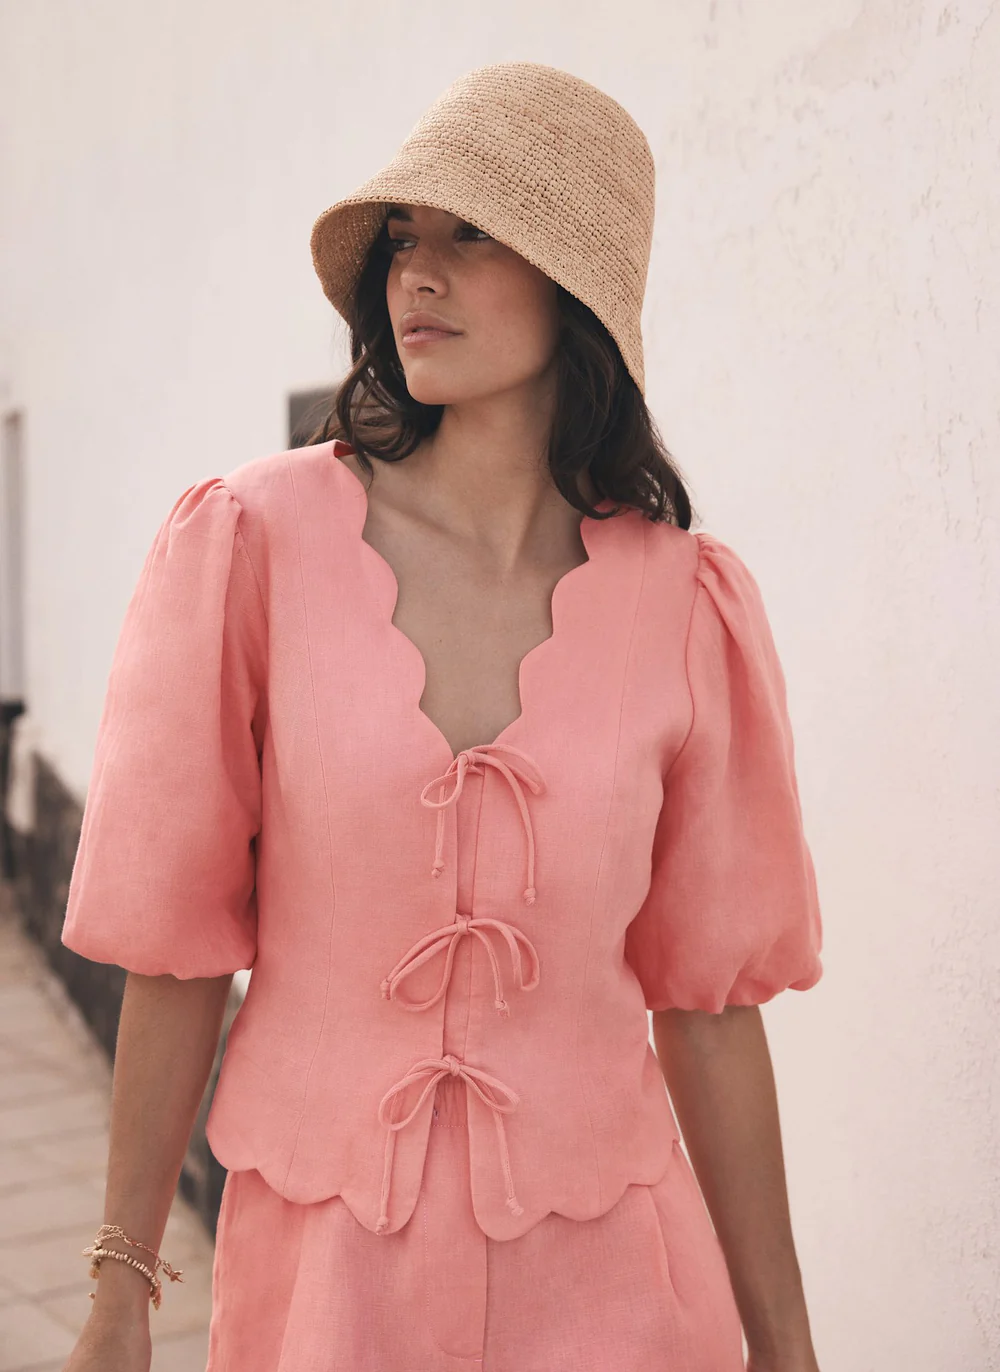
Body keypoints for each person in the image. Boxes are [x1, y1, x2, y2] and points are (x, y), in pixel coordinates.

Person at [60, 60, 824, 1372]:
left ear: (577, 282)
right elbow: (175, 948)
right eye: (404, 240)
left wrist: (789, 1348)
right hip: (328, 1285)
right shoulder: (251, 541)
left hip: (618, 1286)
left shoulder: (687, 604)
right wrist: (119, 1291)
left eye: (473, 236)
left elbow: (709, 1011)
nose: (417, 274)